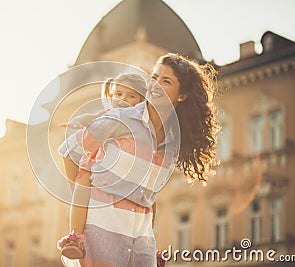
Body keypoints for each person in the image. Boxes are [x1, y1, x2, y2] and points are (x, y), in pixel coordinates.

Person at [58, 53, 220, 267]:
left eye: (166, 81)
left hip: (142, 241)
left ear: (182, 95)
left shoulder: (173, 142)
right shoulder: (121, 119)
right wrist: (83, 193)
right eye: (154, 77)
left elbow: (150, 196)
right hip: (101, 231)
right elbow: (69, 150)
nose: (155, 85)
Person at [57, 72, 151, 261]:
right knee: (82, 185)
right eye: (118, 94)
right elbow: (90, 117)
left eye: (130, 96)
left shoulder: (141, 120)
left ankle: (147, 247)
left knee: (148, 201)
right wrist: (76, 122)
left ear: (141, 101)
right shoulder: (110, 114)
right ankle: (74, 238)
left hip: (126, 168)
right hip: (98, 160)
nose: (123, 99)